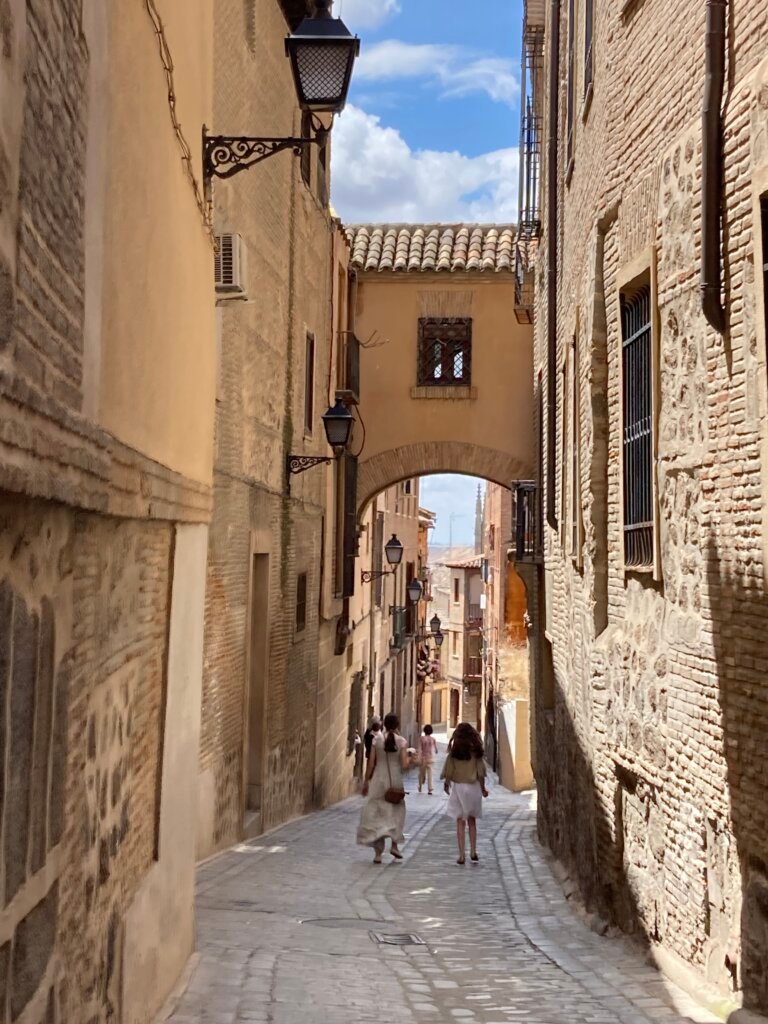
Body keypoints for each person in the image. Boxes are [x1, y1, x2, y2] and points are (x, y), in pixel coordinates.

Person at [357, 712, 410, 864]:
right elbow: (405, 765)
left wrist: (366, 782)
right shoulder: (402, 742)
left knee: (377, 815)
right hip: (395, 780)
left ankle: (378, 854)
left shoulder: (376, 740)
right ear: (397, 725)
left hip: (378, 780)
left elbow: (371, 763)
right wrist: (413, 760)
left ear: (384, 725)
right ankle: (394, 845)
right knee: (396, 813)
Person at [441, 722, 488, 865]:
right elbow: (480, 772)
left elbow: (449, 770)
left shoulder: (455, 752)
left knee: (460, 821)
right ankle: (473, 851)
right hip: (473, 788)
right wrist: (483, 788)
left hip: (459, 788)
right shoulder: (476, 752)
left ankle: (461, 855)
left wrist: (447, 783)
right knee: (472, 821)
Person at [418, 724, 438, 794]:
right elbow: (436, 750)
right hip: (430, 758)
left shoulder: (422, 738)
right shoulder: (433, 739)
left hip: (423, 758)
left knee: (421, 773)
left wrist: (419, 757)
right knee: (430, 774)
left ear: (424, 731)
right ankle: (430, 789)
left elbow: (420, 749)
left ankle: (420, 786)